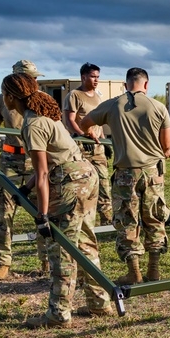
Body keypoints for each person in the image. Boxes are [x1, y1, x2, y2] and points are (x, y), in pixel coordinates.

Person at [2, 73, 112, 327]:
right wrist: (24, 188)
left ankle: (58, 314)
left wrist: (42, 216)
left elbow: (42, 173)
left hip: (69, 182)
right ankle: (99, 302)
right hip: (86, 174)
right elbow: (53, 160)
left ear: (11, 96)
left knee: (62, 248)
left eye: (4, 93)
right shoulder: (43, 117)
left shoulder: (32, 124)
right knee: (85, 241)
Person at [81, 67, 170, 284]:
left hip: (125, 174)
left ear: (125, 84)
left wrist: (91, 133)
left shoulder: (113, 105)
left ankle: (134, 272)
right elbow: (167, 145)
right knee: (155, 218)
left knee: (127, 221)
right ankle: (154, 270)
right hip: (153, 173)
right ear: (146, 85)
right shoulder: (158, 107)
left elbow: (85, 123)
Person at [0, 60, 48, 280]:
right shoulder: (2, 101)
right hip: (10, 161)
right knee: (5, 212)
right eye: (31, 78)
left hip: (37, 161)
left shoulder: (44, 100)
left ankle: (46, 261)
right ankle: (3, 263)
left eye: (36, 78)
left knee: (44, 212)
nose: (35, 82)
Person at [63, 62, 113, 224]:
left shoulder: (98, 96)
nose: (96, 80)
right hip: (81, 148)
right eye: (93, 76)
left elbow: (99, 123)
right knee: (82, 185)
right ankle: (80, 220)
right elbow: (69, 120)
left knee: (104, 183)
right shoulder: (74, 95)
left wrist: (104, 143)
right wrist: (83, 134)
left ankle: (107, 221)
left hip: (97, 148)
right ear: (83, 77)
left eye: (98, 77)